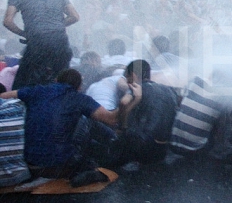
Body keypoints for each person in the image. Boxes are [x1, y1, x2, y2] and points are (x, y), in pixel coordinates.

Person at [0, 69, 141, 186]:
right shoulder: (78, 98)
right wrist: (133, 100)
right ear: (79, 87)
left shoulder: (36, 91)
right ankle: (112, 152)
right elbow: (112, 119)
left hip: (32, 167)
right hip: (60, 168)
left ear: (56, 81)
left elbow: (4, 96)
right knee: (88, 121)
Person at [3, 0, 80, 89]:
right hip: (60, 42)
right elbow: (75, 16)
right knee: (63, 82)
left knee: (23, 84)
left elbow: (7, 21)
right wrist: (56, 25)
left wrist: (24, 33)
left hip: (37, 42)